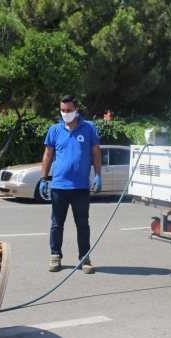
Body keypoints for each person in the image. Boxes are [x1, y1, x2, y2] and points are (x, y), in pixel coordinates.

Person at [40, 95, 102, 274]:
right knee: (57, 224)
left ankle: (85, 258)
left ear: (77, 110)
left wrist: (98, 175)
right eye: (62, 110)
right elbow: (48, 155)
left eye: (68, 110)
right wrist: (44, 179)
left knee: (82, 224)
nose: (65, 114)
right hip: (59, 186)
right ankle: (55, 256)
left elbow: (96, 153)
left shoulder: (89, 128)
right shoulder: (55, 129)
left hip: (81, 187)